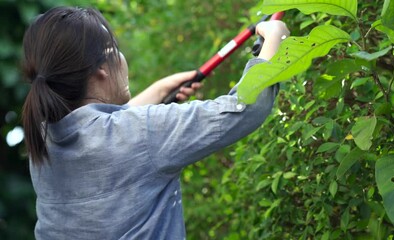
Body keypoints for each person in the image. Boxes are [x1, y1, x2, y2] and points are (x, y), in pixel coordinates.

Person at [22, 6, 289, 240]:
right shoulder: (142, 133)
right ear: (101, 69)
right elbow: (245, 109)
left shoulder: (43, 139)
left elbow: (106, 134)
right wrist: (274, 43)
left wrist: (160, 90)